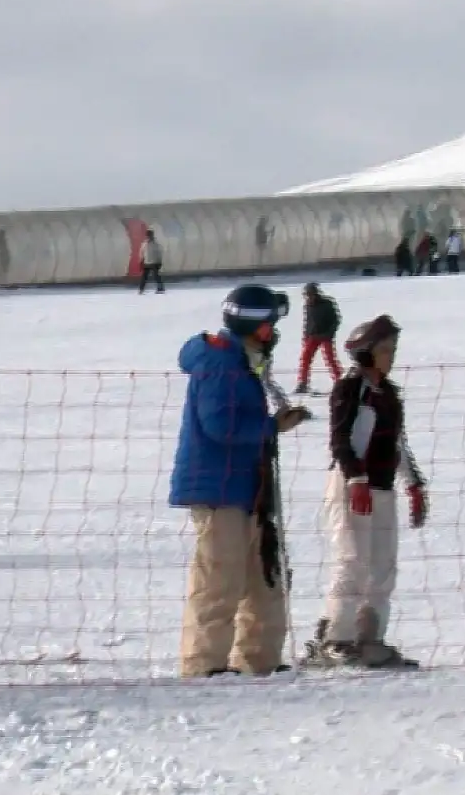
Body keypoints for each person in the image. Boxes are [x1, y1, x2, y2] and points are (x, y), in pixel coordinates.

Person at [169, 284, 310, 678]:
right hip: (218, 488)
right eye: (270, 325)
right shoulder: (220, 363)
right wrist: (272, 427)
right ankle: (204, 666)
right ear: (256, 326)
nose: (274, 333)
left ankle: (258, 660)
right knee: (220, 579)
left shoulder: (243, 360)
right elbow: (219, 425)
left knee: (263, 576)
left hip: (249, 487)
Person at [306, 315, 428, 669]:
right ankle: (335, 638)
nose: (391, 356)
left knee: (383, 564)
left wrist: (414, 483)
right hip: (351, 486)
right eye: (385, 349)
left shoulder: (388, 393)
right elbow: (340, 439)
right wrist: (355, 479)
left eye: (393, 349)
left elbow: (397, 443)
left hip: (382, 487)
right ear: (365, 352)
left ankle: (369, 636)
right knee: (353, 560)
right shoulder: (350, 388)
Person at [295, 282, 342, 395]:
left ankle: (340, 383)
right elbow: (307, 322)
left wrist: (329, 333)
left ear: (316, 294)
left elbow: (336, 320)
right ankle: (303, 383)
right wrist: (305, 336)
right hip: (312, 336)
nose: (308, 297)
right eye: (306, 295)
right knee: (305, 359)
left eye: (310, 295)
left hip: (325, 335)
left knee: (330, 359)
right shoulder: (308, 306)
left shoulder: (327, 303)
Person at [138, 229, 166, 294]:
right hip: (147, 262)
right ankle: (141, 289)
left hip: (154, 262)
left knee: (156, 276)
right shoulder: (145, 244)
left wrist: (159, 261)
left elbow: (159, 252)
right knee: (145, 277)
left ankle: (160, 289)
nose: (149, 237)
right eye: (148, 235)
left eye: (149, 235)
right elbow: (141, 252)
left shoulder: (155, 244)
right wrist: (141, 260)